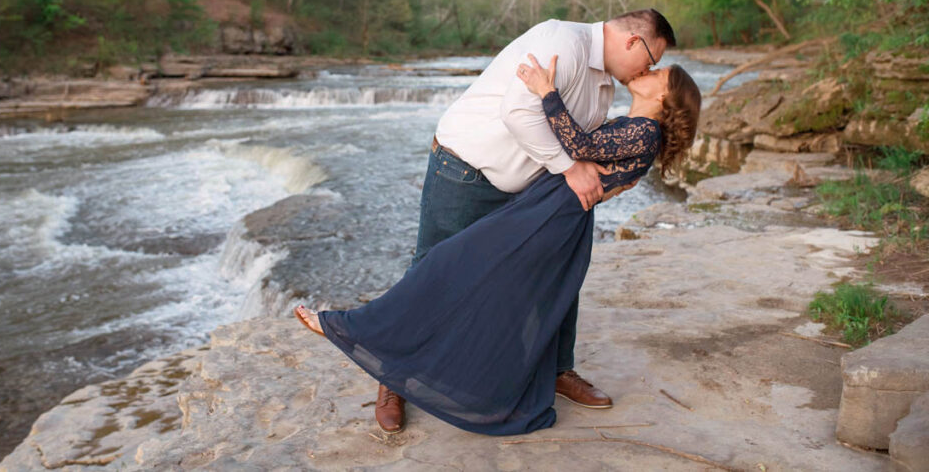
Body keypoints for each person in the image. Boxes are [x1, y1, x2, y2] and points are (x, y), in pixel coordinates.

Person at [294, 53, 702, 435]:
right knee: (488, 284)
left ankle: (348, 329)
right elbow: (580, 153)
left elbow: (579, 147)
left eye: (656, 74)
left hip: (549, 216)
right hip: (547, 208)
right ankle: (395, 362)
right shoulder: (630, 126)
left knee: (448, 265)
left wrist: (546, 89)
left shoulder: (644, 131)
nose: (646, 72)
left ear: (664, 96)